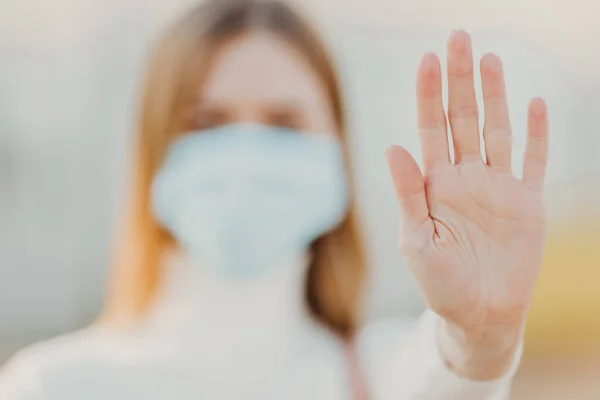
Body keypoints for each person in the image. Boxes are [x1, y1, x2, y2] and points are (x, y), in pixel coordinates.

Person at [0, 0, 550, 399]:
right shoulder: (52, 386)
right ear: (154, 156)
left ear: (338, 151)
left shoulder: (392, 372)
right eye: (207, 122)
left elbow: (450, 378)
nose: (247, 152)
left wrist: (481, 341)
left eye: (285, 124)